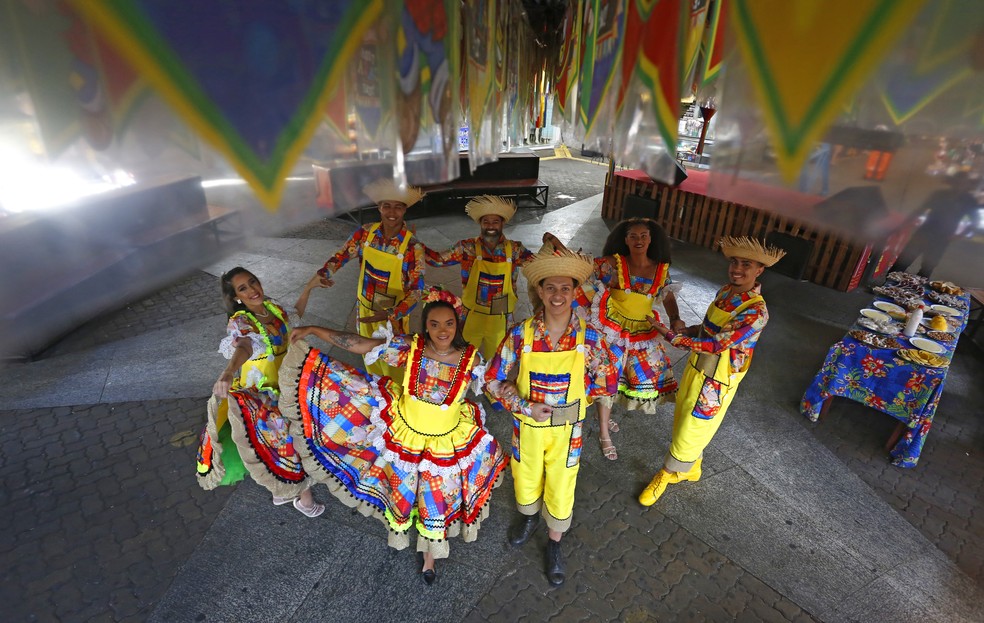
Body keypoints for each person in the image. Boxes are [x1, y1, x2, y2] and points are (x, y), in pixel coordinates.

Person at [278, 287, 507, 585]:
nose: (442, 331)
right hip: (404, 439)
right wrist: (313, 329)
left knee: (434, 501)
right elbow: (360, 343)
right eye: (435, 324)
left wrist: (528, 406)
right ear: (426, 325)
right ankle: (412, 531)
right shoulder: (410, 349)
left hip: (446, 445)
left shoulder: (471, 360)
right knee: (405, 493)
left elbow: (498, 386)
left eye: (449, 324)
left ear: (457, 325)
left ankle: (430, 556)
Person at [485, 249, 619, 586]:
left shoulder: (589, 338)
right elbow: (491, 379)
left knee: (562, 484)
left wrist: (571, 407)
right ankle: (529, 518)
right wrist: (524, 405)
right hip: (526, 426)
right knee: (526, 475)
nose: (557, 295)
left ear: (575, 293)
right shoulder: (521, 334)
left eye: (565, 289)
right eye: (550, 288)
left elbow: (607, 382)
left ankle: (554, 543)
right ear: (540, 292)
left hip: (567, 431)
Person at [638, 237, 785, 507]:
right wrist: (689, 330)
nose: (737, 269)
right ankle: (691, 467)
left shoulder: (756, 312)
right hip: (698, 365)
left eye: (747, 264)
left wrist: (672, 337)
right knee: (685, 417)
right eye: (734, 262)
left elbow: (718, 344)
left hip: (717, 379)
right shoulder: (727, 292)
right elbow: (710, 329)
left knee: (692, 429)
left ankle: (669, 474)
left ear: (760, 269)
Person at [195, 267, 325, 518]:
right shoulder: (240, 322)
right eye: (243, 288)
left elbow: (294, 317)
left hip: (287, 385)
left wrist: (309, 287)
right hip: (263, 394)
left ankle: (282, 493)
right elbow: (243, 345)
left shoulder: (272, 308)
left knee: (286, 443)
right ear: (235, 297)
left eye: (253, 282)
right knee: (291, 444)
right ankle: (303, 498)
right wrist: (229, 371)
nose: (253, 290)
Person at [558, 218, 685, 461]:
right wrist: (558, 246)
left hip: (642, 332)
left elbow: (668, 297)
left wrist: (675, 319)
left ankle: (603, 415)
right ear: (625, 240)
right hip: (611, 328)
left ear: (651, 239)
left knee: (630, 376)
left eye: (644, 235)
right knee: (608, 375)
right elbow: (580, 266)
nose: (639, 240)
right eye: (633, 236)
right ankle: (604, 432)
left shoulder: (661, 270)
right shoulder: (612, 265)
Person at [302, 178, 426, 381]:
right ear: (379, 207)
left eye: (398, 207)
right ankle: (376, 392)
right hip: (365, 308)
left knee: (392, 358)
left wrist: (392, 313)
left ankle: (393, 399)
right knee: (369, 354)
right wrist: (324, 273)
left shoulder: (413, 246)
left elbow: (417, 289)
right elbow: (342, 254)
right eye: (386, 206)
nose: (391, 213)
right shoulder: (365, 233)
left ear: (404, 210)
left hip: (391, 316)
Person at [425, 194, 559, 359]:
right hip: (471, 316)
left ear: (503, 223)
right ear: (480, 223)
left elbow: (538, 265)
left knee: (497, 362)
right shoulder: (467, 248)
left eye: (495, 221)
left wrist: (554, 243)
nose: (490, 226)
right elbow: (436, 260)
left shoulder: (515, 249)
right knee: (462, 360)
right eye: (486, 221)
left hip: (501, 319)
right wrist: (413, 243)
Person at [887, 172, 980, 278]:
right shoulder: (939, 194)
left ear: (967, 185)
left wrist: (959, 235)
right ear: (952, 182)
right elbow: (920, 210)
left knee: (927, 267)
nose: (959, 185)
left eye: (963, 183)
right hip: (925, 232)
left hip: (942, 237)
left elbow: (975, 222)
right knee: (903, 261)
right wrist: (904, 224)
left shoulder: (969, 201)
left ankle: (914, 291)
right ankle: (885, 285)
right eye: (957, 182)